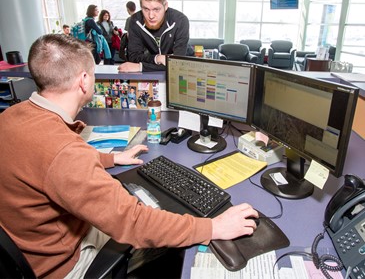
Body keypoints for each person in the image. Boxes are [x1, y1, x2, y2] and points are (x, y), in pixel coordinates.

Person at [0, 34, 258, 279]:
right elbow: (133, 224)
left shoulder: (11, 117)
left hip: (30, 248)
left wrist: (109, 160)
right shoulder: (65, 154)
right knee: (154, 218)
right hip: (66, 264)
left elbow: (45, 164)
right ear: (84, 81)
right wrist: (213, 228)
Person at [118, 0, 190, 72]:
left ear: (166, 6)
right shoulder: (135, 21)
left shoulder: (180, 21)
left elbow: (178, 63)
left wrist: (141, 67)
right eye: (146, 9)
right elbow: (134, 58)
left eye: (156, 9)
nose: (151, 16)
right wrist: (157, 58)